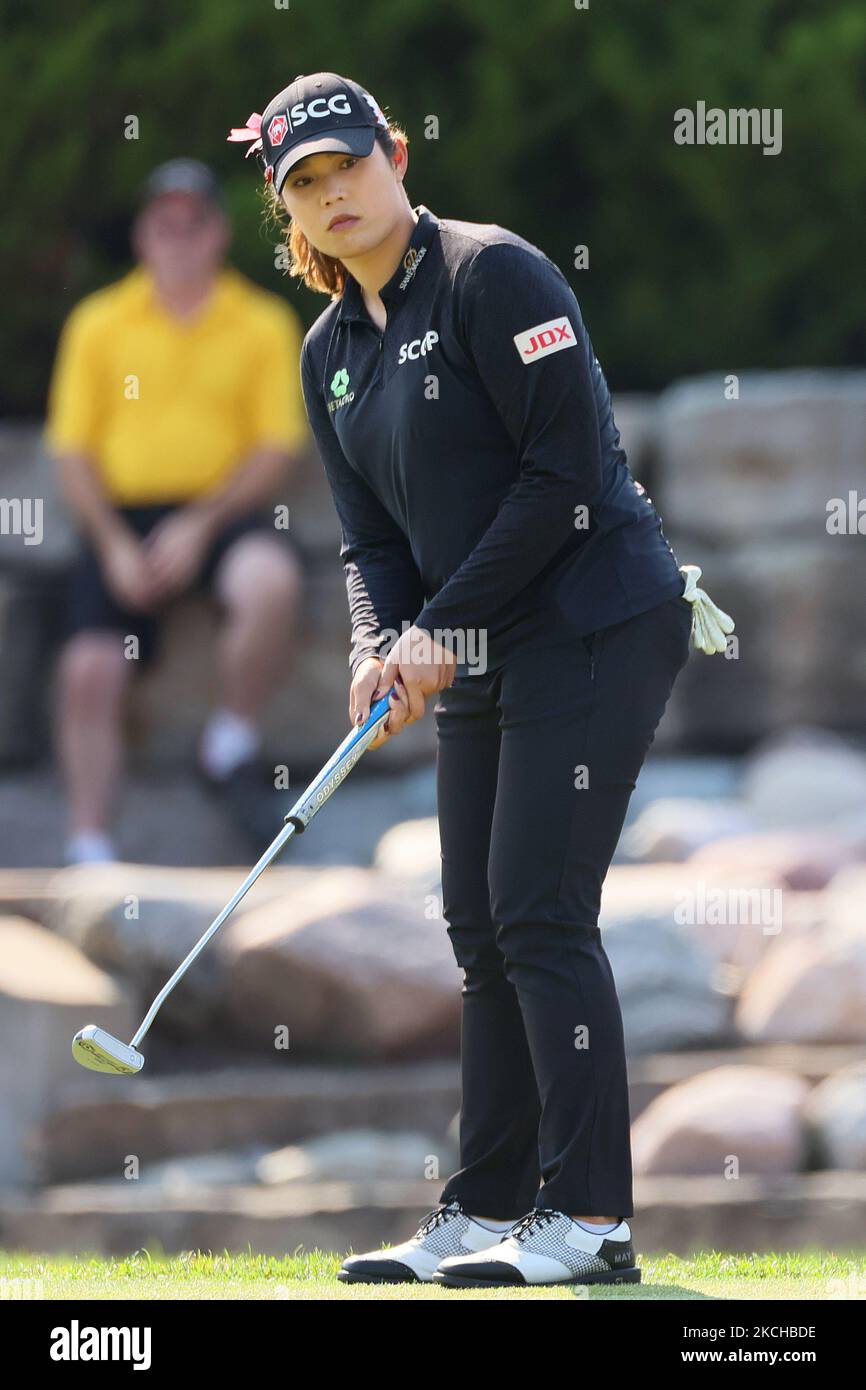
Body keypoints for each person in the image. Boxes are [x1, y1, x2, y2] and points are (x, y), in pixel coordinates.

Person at [228, 73, 733, 1289]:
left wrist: (433, 629)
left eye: (347, 163)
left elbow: (563, 478)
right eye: (304, 182)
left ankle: (591, 1219)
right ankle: (487, 1204)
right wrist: (374, 641)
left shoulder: (491, 274)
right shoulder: (329, 350)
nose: (333, 192)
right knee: (474, 922)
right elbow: (373, 544)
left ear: (395, 155)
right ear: (286, 211)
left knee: (536, 907)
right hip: (482, 643)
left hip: (598, 618)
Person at [45, 159, 309, 864]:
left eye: (195, 224)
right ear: (143, 235)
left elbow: (275, 446)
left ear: (219, 234)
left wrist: (200, 525)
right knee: (88, 671)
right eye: (166, 225)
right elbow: (73, 452)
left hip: (222, 514)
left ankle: (230, 739)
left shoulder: (262, 321)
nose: (180, 239)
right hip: (120, 523)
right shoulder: (98, 323)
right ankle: (90, 847)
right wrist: (113, 546)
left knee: (270, 582)